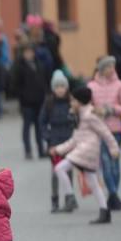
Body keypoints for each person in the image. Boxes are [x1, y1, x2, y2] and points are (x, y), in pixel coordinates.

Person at [50, 87, 120, 224]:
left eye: (73, 100)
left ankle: (70, 198)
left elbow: (105, 132)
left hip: (86, 151)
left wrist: (114, 148)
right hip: (85, 151)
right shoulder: (79, 116)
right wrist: (58, 149)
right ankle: (105, 212)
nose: (71, 103)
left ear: (80, 101)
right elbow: (74, 140)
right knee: (93, 183)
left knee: (59, 168)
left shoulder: (89, 115)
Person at [88, 56, 121, 211]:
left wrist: (111, 109)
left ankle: (113, 196)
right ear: (101, 69)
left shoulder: (120, 85)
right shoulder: (91, 86)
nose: (111, 69)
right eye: (108, 67)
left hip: (116, 130)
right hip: (99, 130)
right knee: (106, 162)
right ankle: (113, 194)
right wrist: (94, 110)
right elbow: (86, 107)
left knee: (115, 164)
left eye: (113, 66)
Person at [40, 71, 77, 212]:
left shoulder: (71, 102)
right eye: (57, 87)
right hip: (54, 141)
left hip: (69, 141)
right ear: (53, 88)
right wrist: (47, 137)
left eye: (62, 86)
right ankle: (54, 199)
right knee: (56, 171)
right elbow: (42, 122)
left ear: (66, 87)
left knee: (68, 170)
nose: (60, 89)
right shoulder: (48, 103)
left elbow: (78, 120)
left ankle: (70, 198)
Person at [9, 45, 48, 160]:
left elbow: (43, 80)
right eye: (27, 52)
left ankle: (41, 150)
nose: (29, 54)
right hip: (26, 102)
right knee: (26, 127)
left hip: (39, 101)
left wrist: (44, 93)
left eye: (31, 52)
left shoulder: (39, 64)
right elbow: (15, 84)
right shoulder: (19, 66)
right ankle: (28, 150)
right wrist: (22, 95)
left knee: (39, 127)